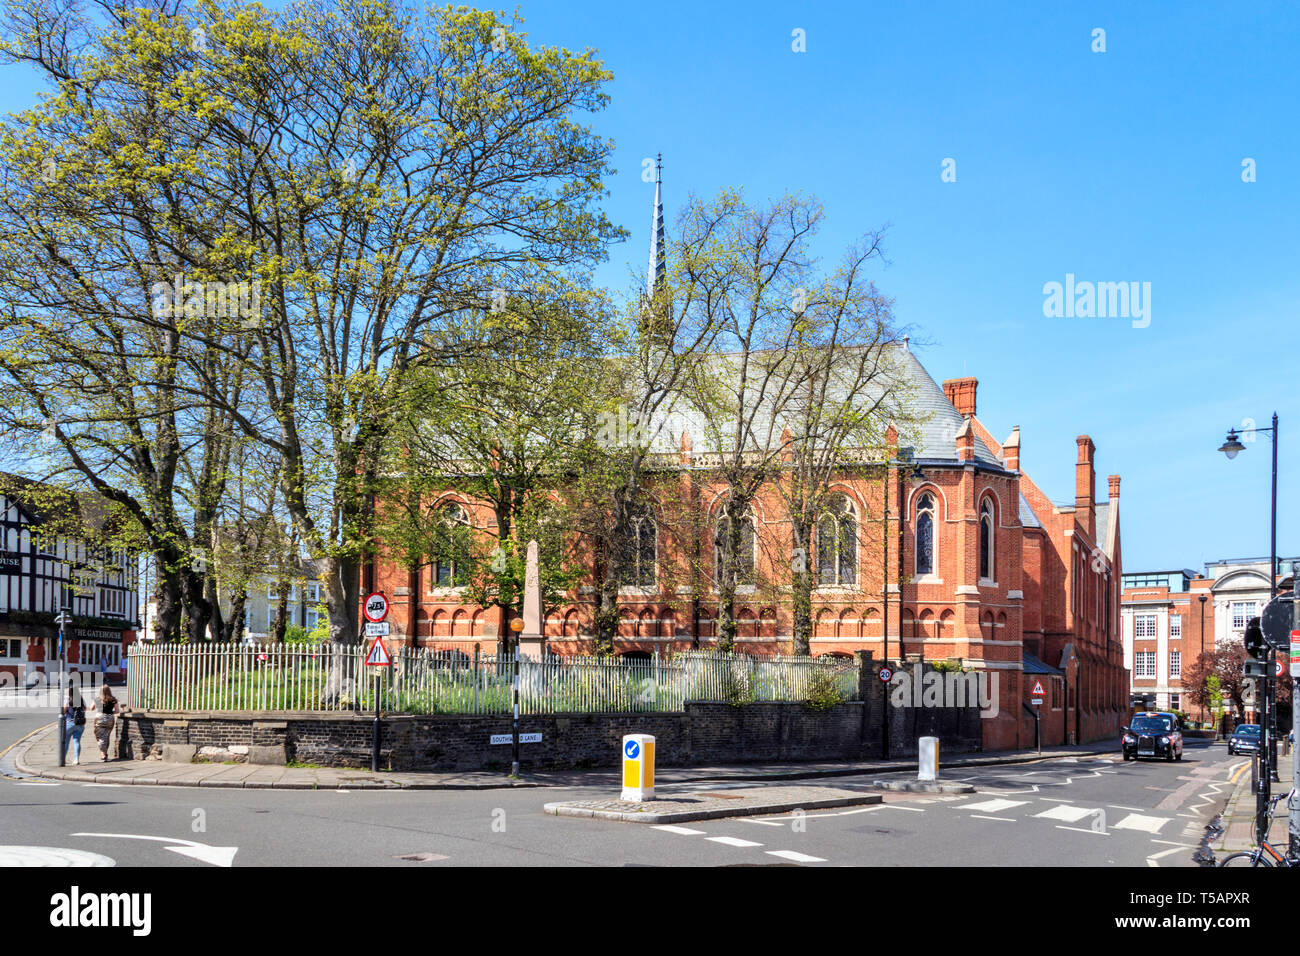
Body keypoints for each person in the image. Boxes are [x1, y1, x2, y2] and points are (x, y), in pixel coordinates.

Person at [61, 688, 86, 765]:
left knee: (66, 743)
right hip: (80, 724)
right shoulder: (81, 700)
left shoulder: (68, 701)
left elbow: (64, 711)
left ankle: (63, 759)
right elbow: (84, 709)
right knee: (77, 741)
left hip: (69, 724)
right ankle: (76, 759)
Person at [93, 684, 119, 762]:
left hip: (99, 718)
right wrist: (110, 713)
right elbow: (117, 711)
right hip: (110, 719)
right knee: (106, 736)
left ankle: (103, 754)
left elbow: (91, 708)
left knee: (99, 737)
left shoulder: (97, 699)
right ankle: (105, 753)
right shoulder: (113, 699)